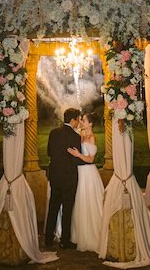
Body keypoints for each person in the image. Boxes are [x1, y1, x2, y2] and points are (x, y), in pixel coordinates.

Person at [45, 108, 84, 249]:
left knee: (53, 207)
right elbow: (76, 161)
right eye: (78, 119)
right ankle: (64, 241)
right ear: (73, 120)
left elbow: (49, 152)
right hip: (69, 178)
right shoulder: (75, 137)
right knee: (67, 209)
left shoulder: (53, 133)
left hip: (55, 176)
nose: (78, 122)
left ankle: (48, 239)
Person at [66, 113, 104, 252]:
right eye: (81, 119)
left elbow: (91, 159)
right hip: (79, 173)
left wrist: (78, 155)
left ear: (91, 124)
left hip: (89, 173)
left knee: (90, 202)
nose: (82, 121)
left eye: (84, 120)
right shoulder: (80, 134)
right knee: (80, 202)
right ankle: (80, 234)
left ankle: (93, 235)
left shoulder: (92, 137)